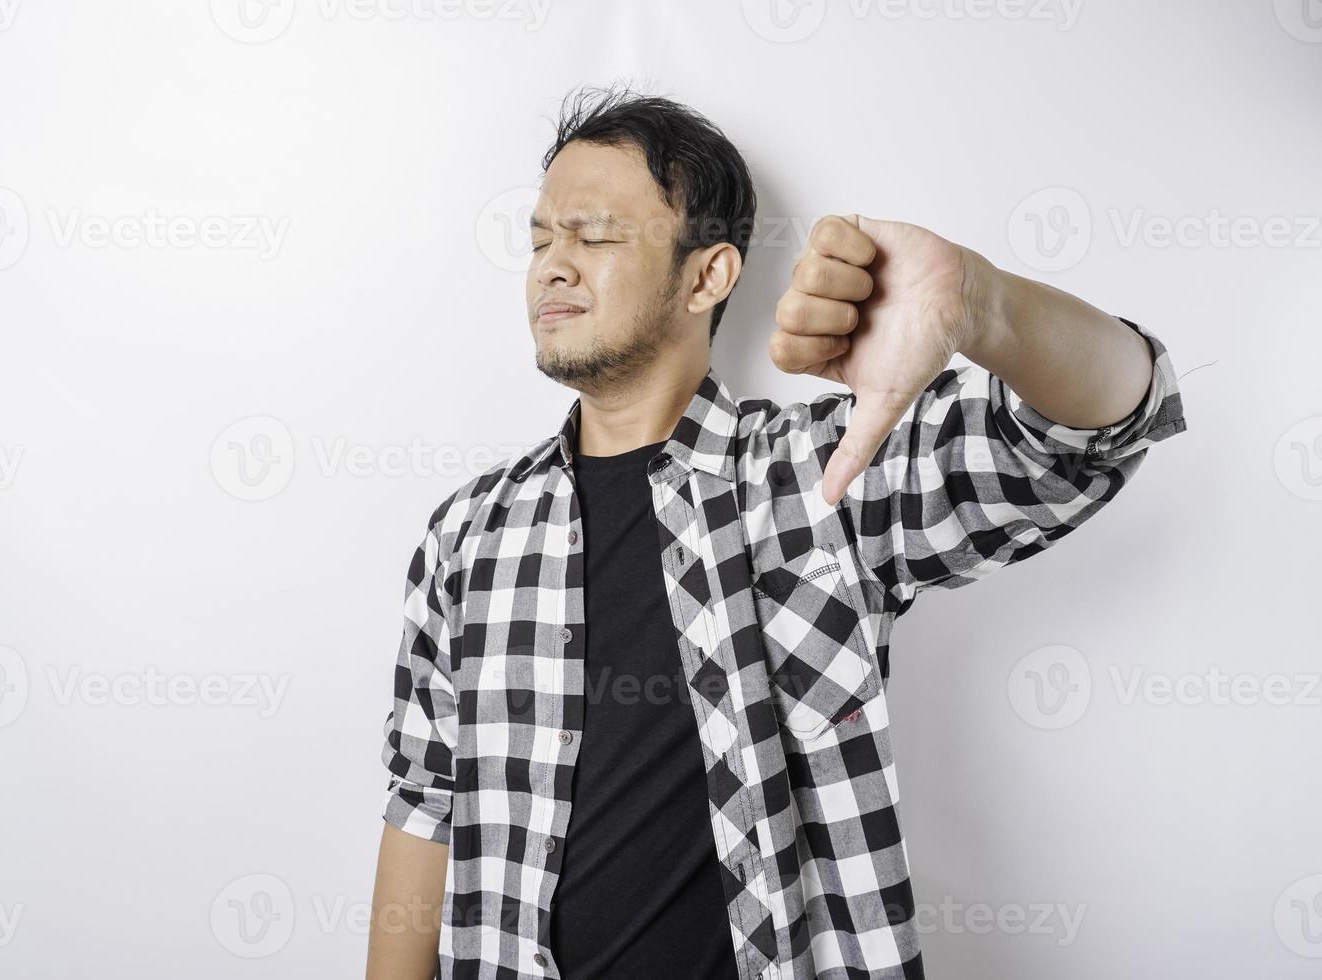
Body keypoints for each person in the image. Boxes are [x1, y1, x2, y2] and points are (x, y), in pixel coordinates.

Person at [365, 84, 1187, 980]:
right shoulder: (470, 534)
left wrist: (980, 304)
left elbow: (1099, 432)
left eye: (594, 235)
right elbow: (425, 805)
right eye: (540, 239)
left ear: (708, 275)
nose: (551, 267)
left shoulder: (820, 475)